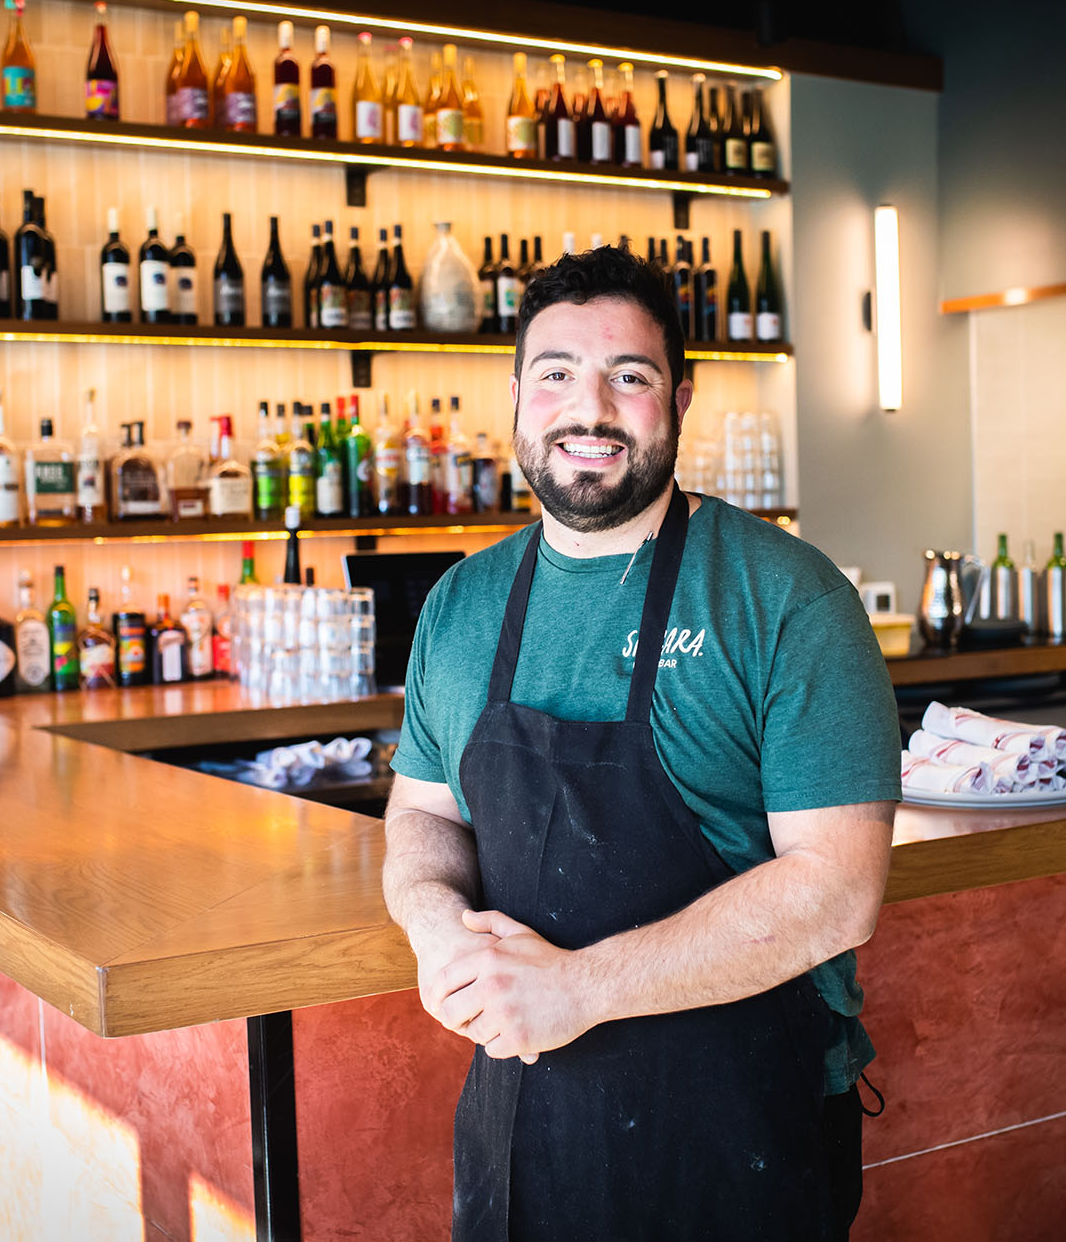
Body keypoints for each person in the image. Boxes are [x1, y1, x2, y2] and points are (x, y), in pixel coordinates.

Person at [382, 244, 900, 1241]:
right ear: (517, 396)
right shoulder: (460, 606)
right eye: (558, 374)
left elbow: (838, 890)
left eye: (629, 375)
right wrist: (435, 925)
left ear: (681, 397)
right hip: (523, 1132)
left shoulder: (784, 597)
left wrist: (578, 989)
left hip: (737, 1136)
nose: (590, 408)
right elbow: (421, 814)